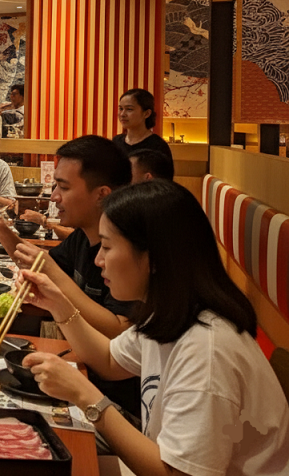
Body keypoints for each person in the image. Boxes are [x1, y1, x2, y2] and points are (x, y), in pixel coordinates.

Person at [20, 180, 289, 475]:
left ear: (154, 259)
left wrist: (85, 396)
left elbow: (177, 473)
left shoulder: (207, 351)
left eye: (107, 247)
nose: (98, 260)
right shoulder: (169, 314)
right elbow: (109, 360)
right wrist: (58, 305)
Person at [0, 134, 138, 414]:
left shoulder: (128, 250)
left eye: (63, 187)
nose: (54, 196)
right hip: (83, 372)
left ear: (102, 194)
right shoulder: (82, 237)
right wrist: (2, 232)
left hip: (112, 399)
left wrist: (51, 272)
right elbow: (40, 268)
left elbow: (118, 330)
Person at [113, 88, 172, 160]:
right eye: (121, 109)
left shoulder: (158, 146)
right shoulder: (116, 142)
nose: (122, 114)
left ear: (147, 113)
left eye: (129, 109)